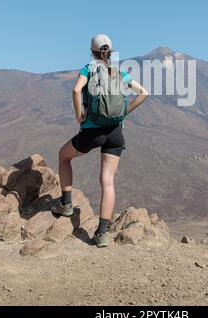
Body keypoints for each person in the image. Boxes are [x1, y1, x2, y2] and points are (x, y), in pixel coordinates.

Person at [51, 34, 148, 247]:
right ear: (110, 52)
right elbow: (143, 93)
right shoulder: (119, 72)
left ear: (92, 51)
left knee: (63, 156)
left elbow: (77, 90)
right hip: (115, 133)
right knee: (108, 181)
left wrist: (79, 115)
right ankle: (102, 234)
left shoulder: (89, 69)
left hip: (92, 132)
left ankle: (66, 205)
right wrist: (124, 113)